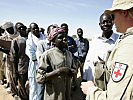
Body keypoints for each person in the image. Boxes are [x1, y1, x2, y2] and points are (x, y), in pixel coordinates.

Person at [81, 0, 133, 99]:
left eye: (113, 16)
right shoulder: (95, 40)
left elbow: (116, 96)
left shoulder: (127, 44)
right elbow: (89, 59)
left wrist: (91, 91)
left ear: (124, 12)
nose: (113, 22)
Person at [36, 27, 77, 100]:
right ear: (54, 41)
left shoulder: (69, 54)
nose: (65, 39)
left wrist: (73, 72)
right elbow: (39, 78)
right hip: (53, 95)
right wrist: (58, 71)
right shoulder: (47, 55)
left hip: (66, 94)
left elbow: (74, 69)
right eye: (61, 37)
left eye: (65, 37)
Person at [26, 22, 46, 100]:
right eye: (33, 28)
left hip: (44, 66)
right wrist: (43, 55)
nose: (36, 29)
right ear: (30, 30)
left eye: (36, 27)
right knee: (34, 88)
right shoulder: (29, 41)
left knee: (43, 87)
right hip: (35, 66)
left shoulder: (44, 38)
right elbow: (32, 56)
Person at [10, 22, 29, 100]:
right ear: (17, 30)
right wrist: (15, 71)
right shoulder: (15, 40)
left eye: (23, 27)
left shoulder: (31, 38)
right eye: (19, 28)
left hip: (32, 66)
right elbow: (13, 57)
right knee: (22, 86)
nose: (22, 29)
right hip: (21, 66)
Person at [0, 22, 19, 96]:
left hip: (20, 58)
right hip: (9, 58)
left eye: (11, 28)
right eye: (8, 29)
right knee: (11, 74)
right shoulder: (5, 37)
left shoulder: (19, 35)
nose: (10, 30)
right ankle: (14, 90)